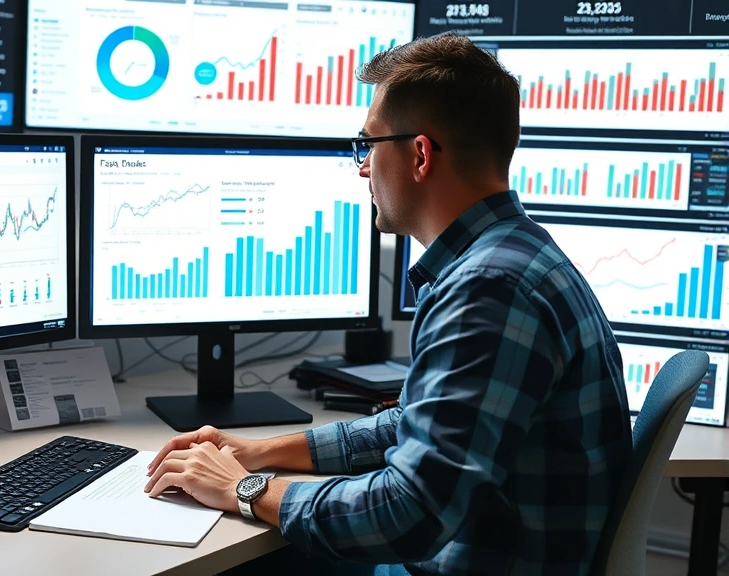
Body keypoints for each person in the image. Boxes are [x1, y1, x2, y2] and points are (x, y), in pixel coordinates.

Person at [143, 33, 632, 576]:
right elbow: (416, 425)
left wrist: (242, 488)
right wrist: (264, 452)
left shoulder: (487, 290)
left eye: (368, 144)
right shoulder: (516, 254)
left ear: (419, 154)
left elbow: (411, 512)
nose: (361, 167)